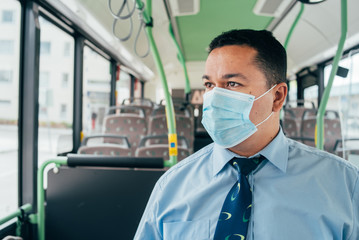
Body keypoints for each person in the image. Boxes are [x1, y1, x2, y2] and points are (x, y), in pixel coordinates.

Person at [134, 29, 359, 239]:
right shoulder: (173, 185)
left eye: (232, 83)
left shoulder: (344, 185)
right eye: (210, 85)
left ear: (278, 97)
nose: (214, 97)